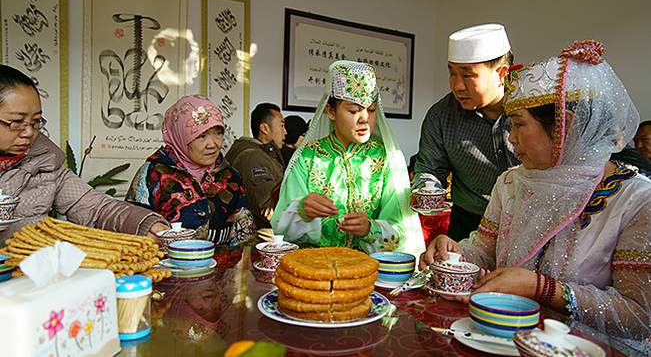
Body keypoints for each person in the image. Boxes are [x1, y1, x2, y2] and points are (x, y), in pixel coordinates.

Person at [420, 41, 651, 346]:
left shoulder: (634, 201)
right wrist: (453, 255)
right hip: (503, 337)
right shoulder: (511, 183)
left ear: (565, 126)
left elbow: (638, 316)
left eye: (518, 125)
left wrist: (543, 289)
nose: (511, 137)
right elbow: (483, 250)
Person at [0, 64, 168, 246]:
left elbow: (94, 207)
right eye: (16, 122)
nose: (29, 132)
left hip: (29, 271)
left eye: (35, 122)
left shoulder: (44, 163)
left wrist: (145, 225)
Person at [271, 61, 425, 256]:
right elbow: (280, 230)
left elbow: (403, 230)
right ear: (331, 111)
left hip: (368, 271)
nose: (364, 119)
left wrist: (371, 228)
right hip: (317, 268)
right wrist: (302, 211)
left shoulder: (385, 159)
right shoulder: (309, 157)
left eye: (370, 110)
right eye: (353, 111)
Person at [412, 24, 518, 241]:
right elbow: (429, 169)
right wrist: (426, 190)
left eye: (468, 75)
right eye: (452, 72)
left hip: (529, 225)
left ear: (501, 73)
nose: (457, 85)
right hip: (469, 226)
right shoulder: (441, 116)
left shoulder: (533, 110)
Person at [126, 95, 255, 247]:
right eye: (202, 136)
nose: (213, 144)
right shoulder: (153, 174)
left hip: (223, 267)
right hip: (167, 267)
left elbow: (245, 234)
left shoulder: (230, 176)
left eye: (218, 134)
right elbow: (133, 229)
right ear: (180, 135)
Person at [225, 103, 286, 238]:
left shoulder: (259, 152)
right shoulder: (253, 157)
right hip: (260, 238)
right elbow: (267, 211)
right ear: (264, 128)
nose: (285, 132)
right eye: (281, 125)